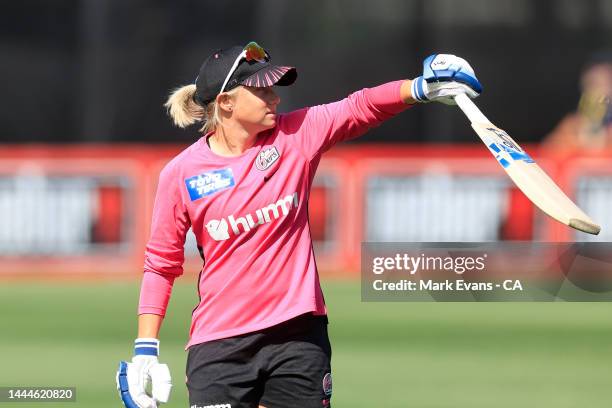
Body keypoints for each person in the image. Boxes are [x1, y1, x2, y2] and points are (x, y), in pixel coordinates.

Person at [115, 42, 482, 408]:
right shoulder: (180, 174)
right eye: (261, 90)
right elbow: (161, 265)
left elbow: (360, 106)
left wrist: (420, 88)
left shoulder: (295, 136)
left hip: (298, 337)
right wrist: (146, 349)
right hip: (220, 345)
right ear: (226, 102)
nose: (274, 98)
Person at [543, 51, 612, 153]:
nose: (599, 91)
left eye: (605, 83)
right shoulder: (572, 125)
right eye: (592, 84)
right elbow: (548, 155)